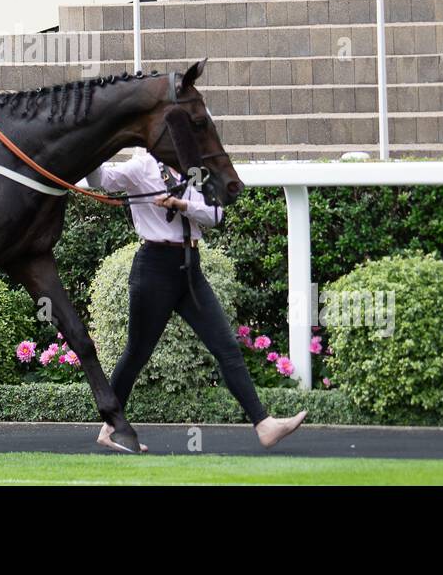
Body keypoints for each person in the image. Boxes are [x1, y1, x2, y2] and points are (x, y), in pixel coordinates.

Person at [83, 147, 307, 452]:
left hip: (190, 269)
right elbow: (102, 180)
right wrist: (96, 150)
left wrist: (180, 204)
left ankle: (264, 425)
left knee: (227, 348)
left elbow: (215, 215)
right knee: (136, 353)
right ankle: (110, 427)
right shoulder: (142, 166)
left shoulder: (196, 171)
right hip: (154, 268)